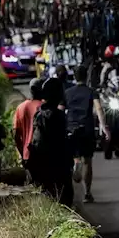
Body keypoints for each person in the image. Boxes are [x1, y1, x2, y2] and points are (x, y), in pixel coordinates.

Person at [65, 66, 106, 204]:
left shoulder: (67, 93)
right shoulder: (91, 92)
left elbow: (60, 110)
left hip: (71, 128)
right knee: (87, 161)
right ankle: (87, 193)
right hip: (86, 129)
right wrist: (104, 127)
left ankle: (76, 164)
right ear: (86, 76)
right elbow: (99, 109)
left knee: (75, 155)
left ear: (74, 77)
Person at [29, 78, 73, 206]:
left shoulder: (39, 114)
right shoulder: (57, 116)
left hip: (42, 165)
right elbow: (59, 141)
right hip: (57, 164)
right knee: (63, 199)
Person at [13, 78, 43, 171]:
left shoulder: (20, 108)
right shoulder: (44, 107)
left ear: (30, 90)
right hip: (43, 154)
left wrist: (22, 153)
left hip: (27, 155)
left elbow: (15, 134)